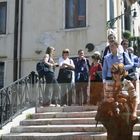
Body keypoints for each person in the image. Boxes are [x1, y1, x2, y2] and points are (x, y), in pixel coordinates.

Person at [101, 63, 138, 140]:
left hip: (125, 117)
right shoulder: (109, 84)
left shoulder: (128, 83)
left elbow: (134, 99)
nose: (114, 74)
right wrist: (108, 100)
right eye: (112, 72)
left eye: (116, 72)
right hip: (113, 118)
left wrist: (134, 112)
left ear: (121, 73)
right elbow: (105, 100)